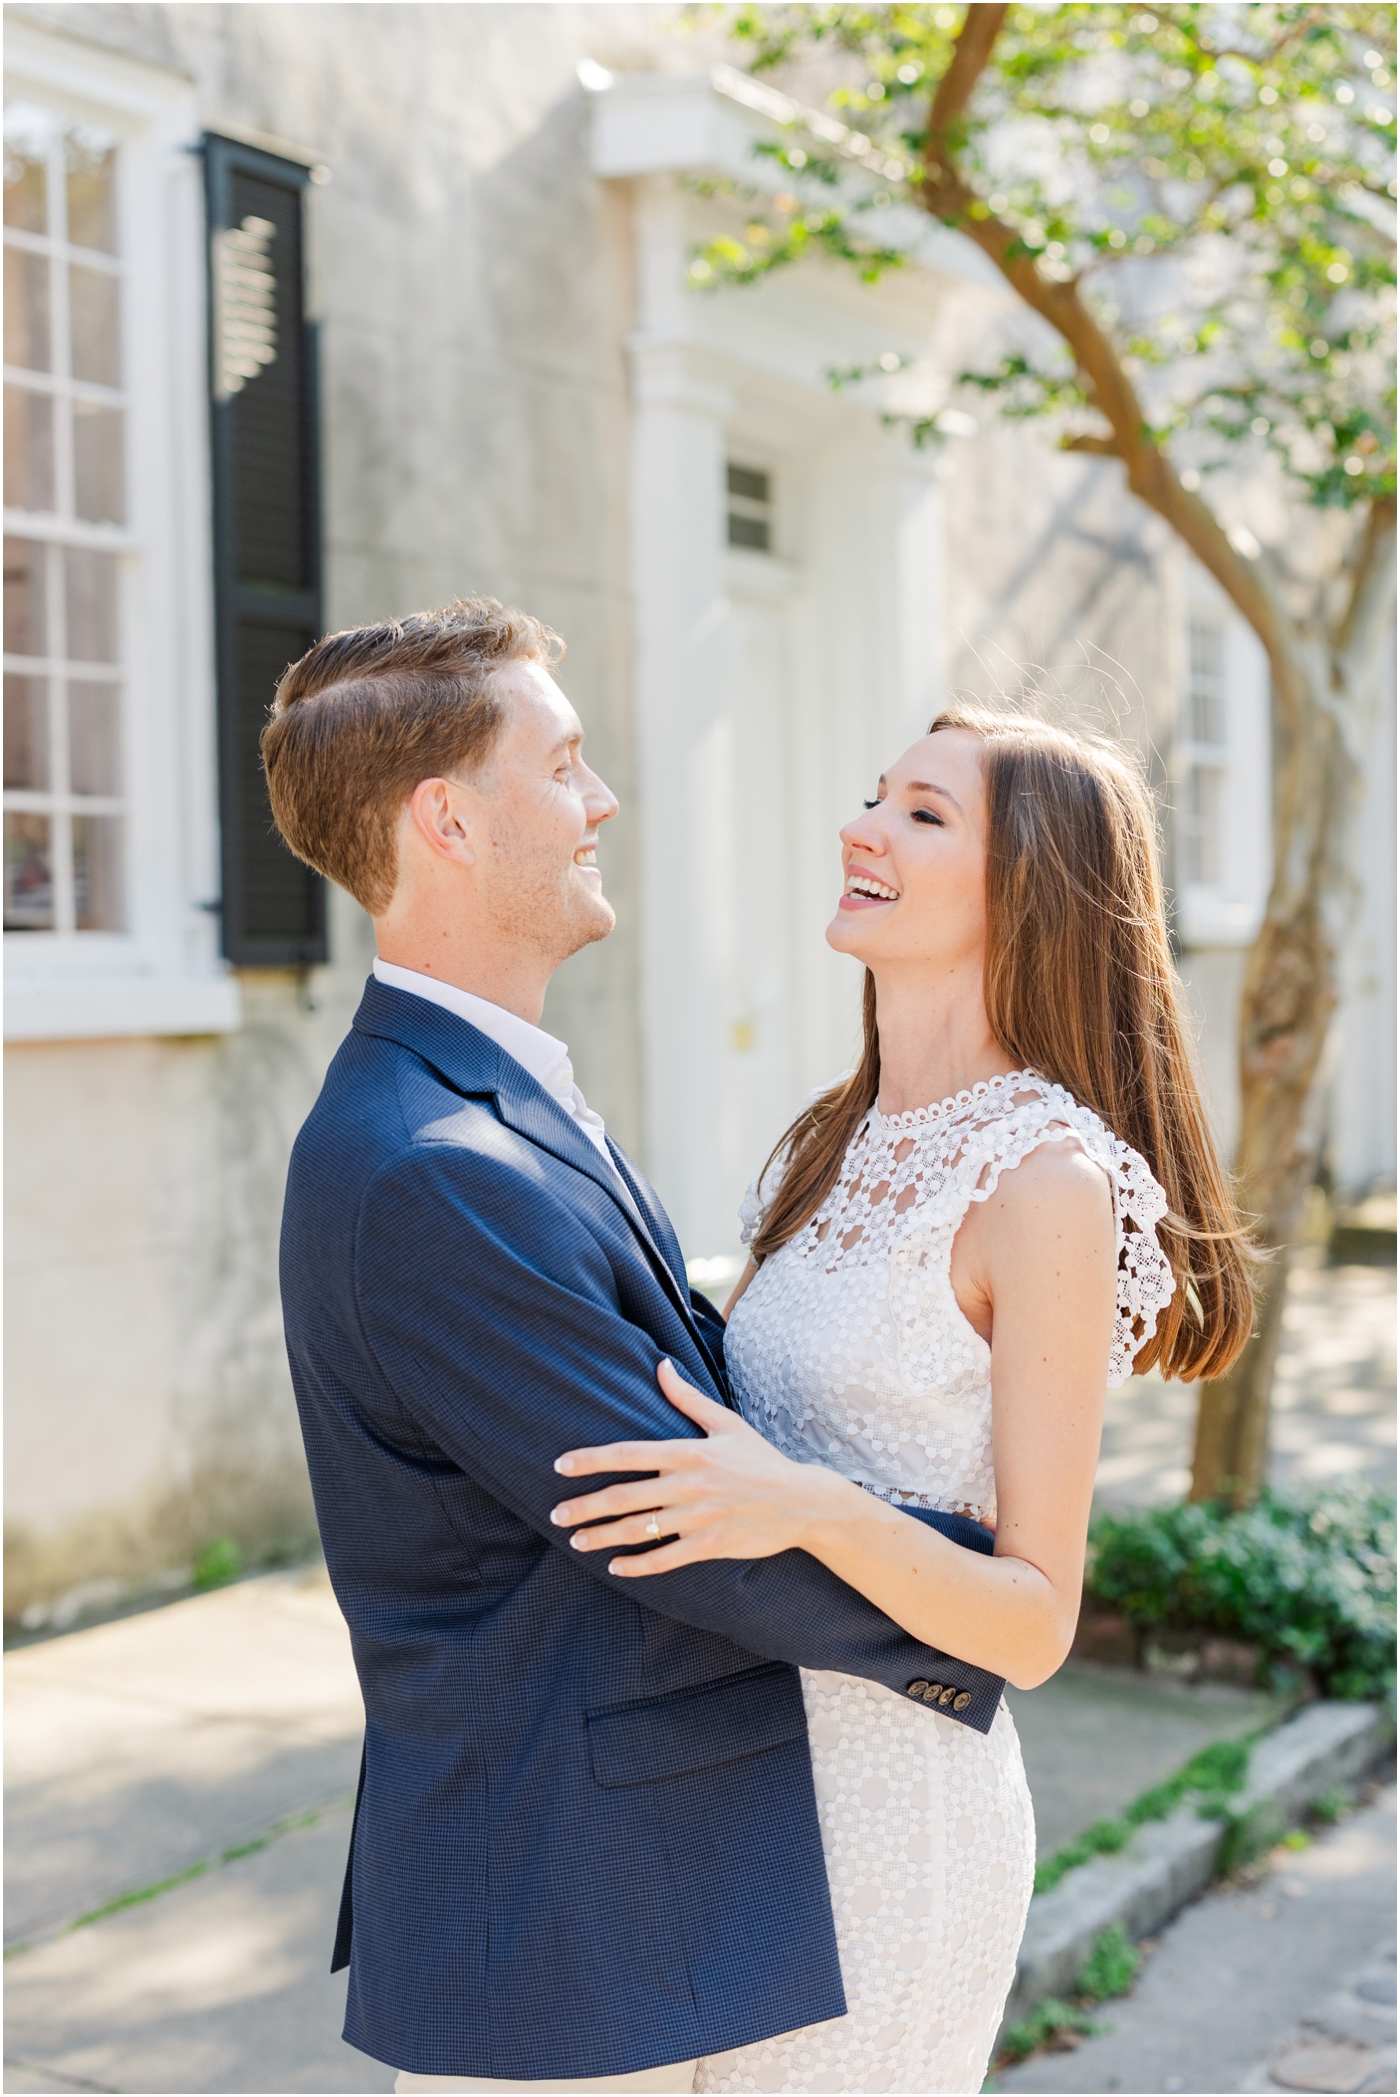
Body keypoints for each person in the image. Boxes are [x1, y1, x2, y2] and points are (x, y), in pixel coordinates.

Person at [263, 601, 1007, 2096]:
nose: (602, 800)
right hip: (558, 1926)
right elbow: (677, 1525)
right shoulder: (430, 1162)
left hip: (631, 1897)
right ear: (450, 821)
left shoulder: (494, 1096)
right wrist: (984, 1605)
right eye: (566, 763)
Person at [550, 705, 1256, 2094]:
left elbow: (1037, 1617)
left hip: (890, 1816)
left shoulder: (1043, 1179)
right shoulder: (837, 1130)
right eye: (878, 796)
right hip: (730, 1792)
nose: (860, 826)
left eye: (924, 812)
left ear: (1031, 887)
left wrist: (803, 1505)